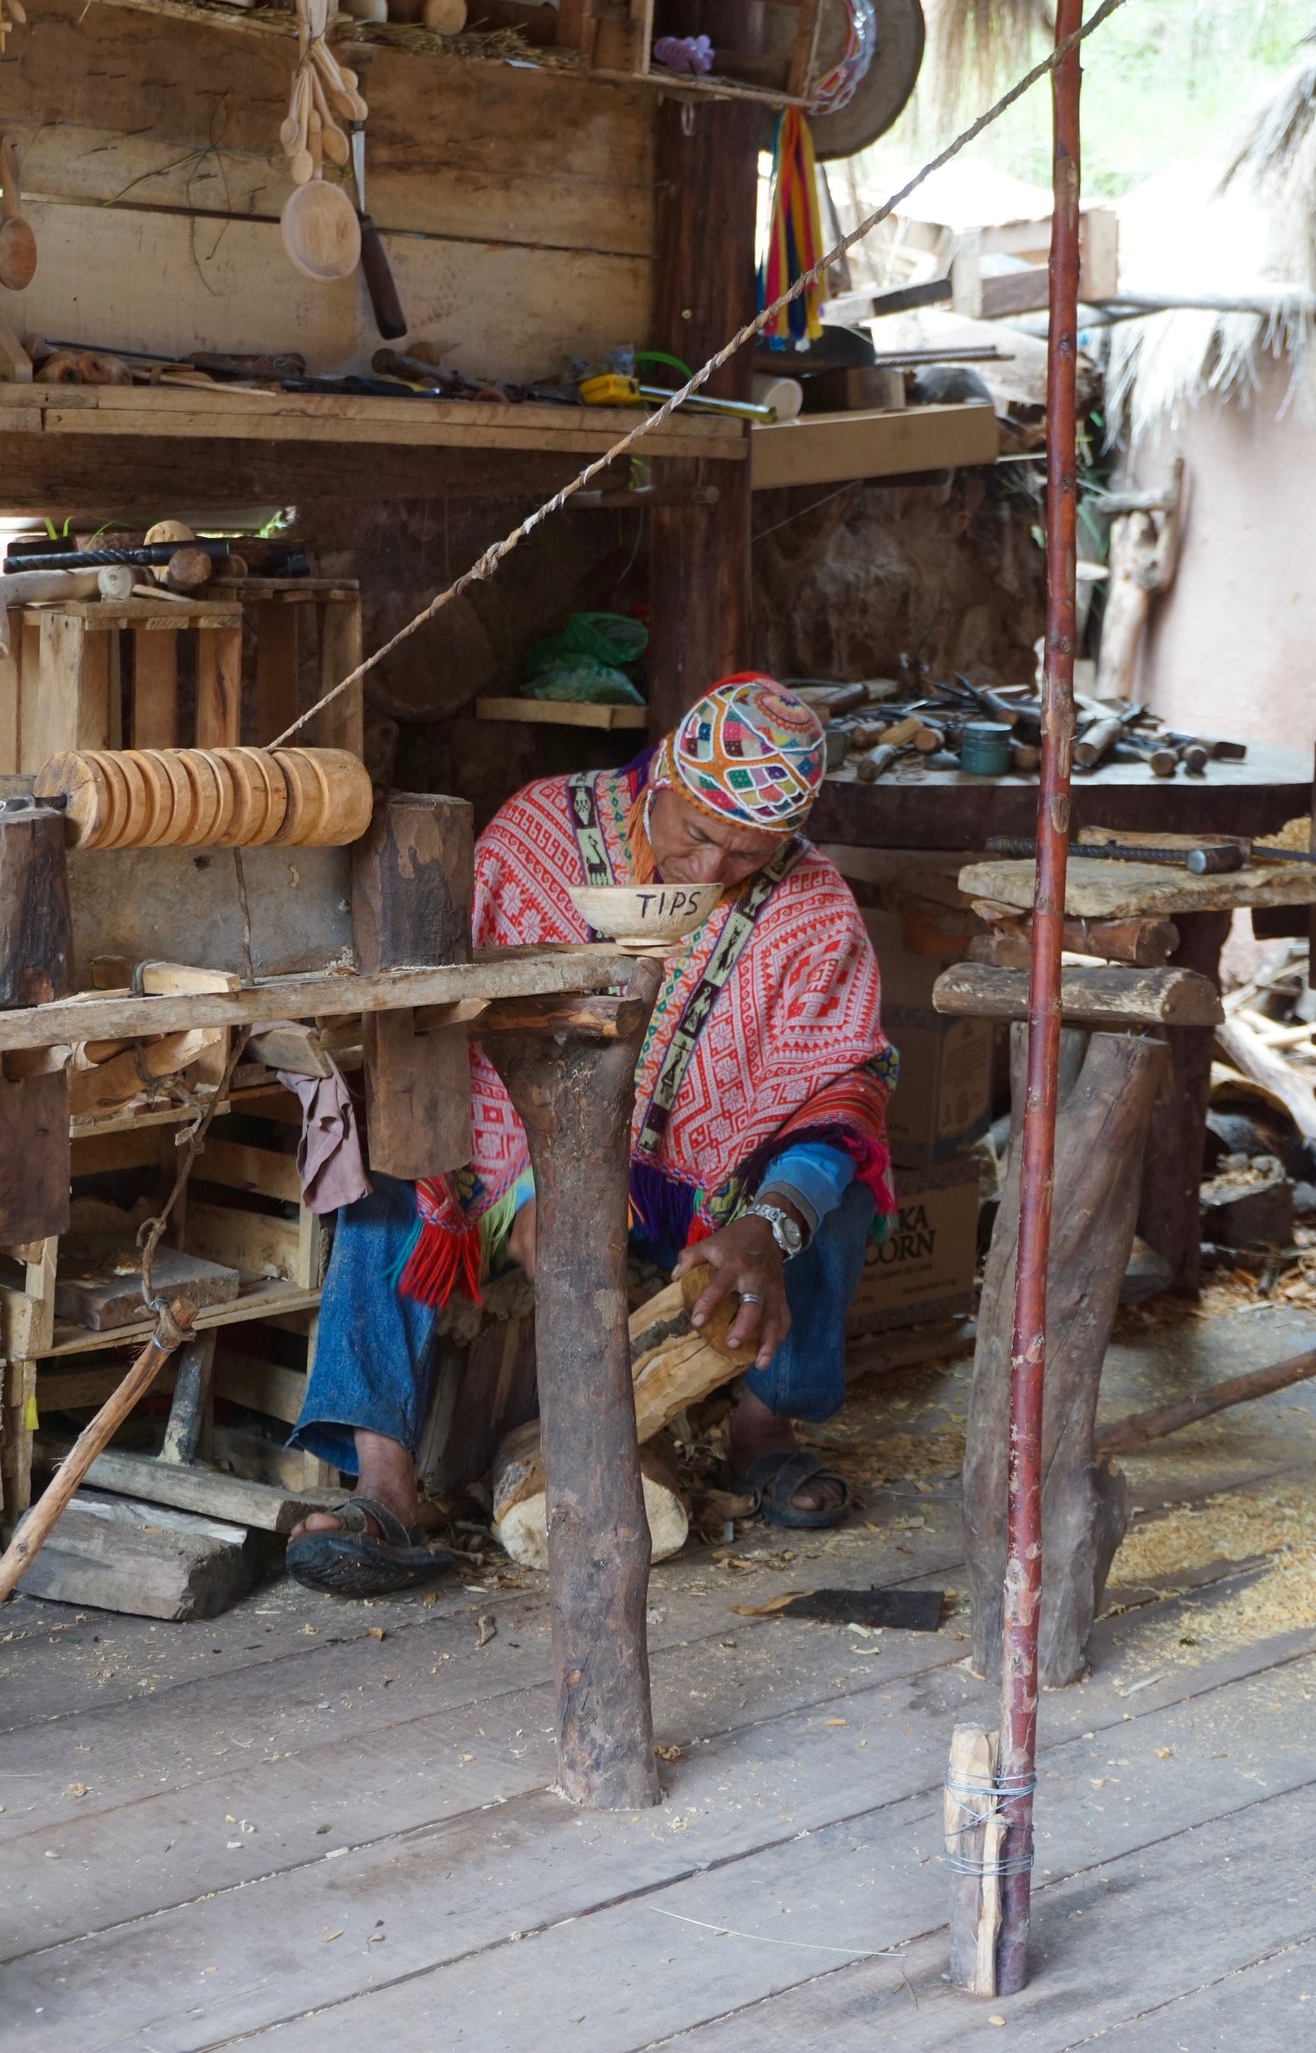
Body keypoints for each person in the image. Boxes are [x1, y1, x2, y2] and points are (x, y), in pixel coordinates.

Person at [285, 673, 895, 1595]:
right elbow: (452, 1025)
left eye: (748, 854)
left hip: (688, 1187)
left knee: (828, 1202)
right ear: (664, 784)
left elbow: (840, 1090)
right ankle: (385, 1486)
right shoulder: (539, 833)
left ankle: (766, 1431)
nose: (709, 871)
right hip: (509, 1167)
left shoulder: (812, 907)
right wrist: (535, 1187)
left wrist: (769, 1224)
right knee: (388, 1182)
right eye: (697, 835)